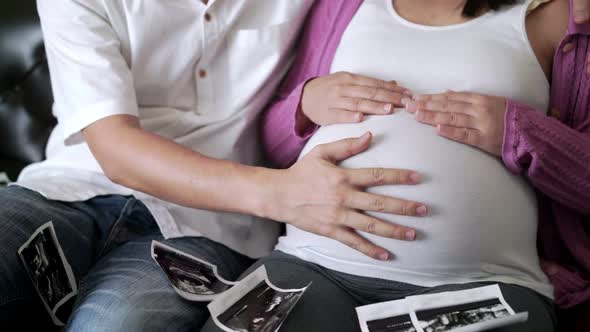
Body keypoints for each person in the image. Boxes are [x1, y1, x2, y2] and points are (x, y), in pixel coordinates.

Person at [0, 0, 440, 330]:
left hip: (209, 227)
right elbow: (116, 148)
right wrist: (284, 194)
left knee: (113, 325)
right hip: (70, 189)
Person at [202, 0, 590, 331]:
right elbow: (270, 145)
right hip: (311, 267)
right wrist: (305, 104)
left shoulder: (561, 15)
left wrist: (520, 133)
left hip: (484, 285)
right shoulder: (343, 6)